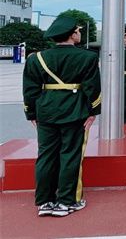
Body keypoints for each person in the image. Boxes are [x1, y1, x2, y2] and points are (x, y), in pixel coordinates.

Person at [23, 16, 101, 217]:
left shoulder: (36, 58)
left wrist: (31, 113)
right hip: (75, 111)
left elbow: (30, 89)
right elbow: (92, 88)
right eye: (78, 31)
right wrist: (93, 112)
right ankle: (66, 202)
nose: (80, 33)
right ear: (72, 34)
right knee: (70, 155)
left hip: (46, 112)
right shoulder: (88, 57)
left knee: (46, 156)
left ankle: (45, 201)